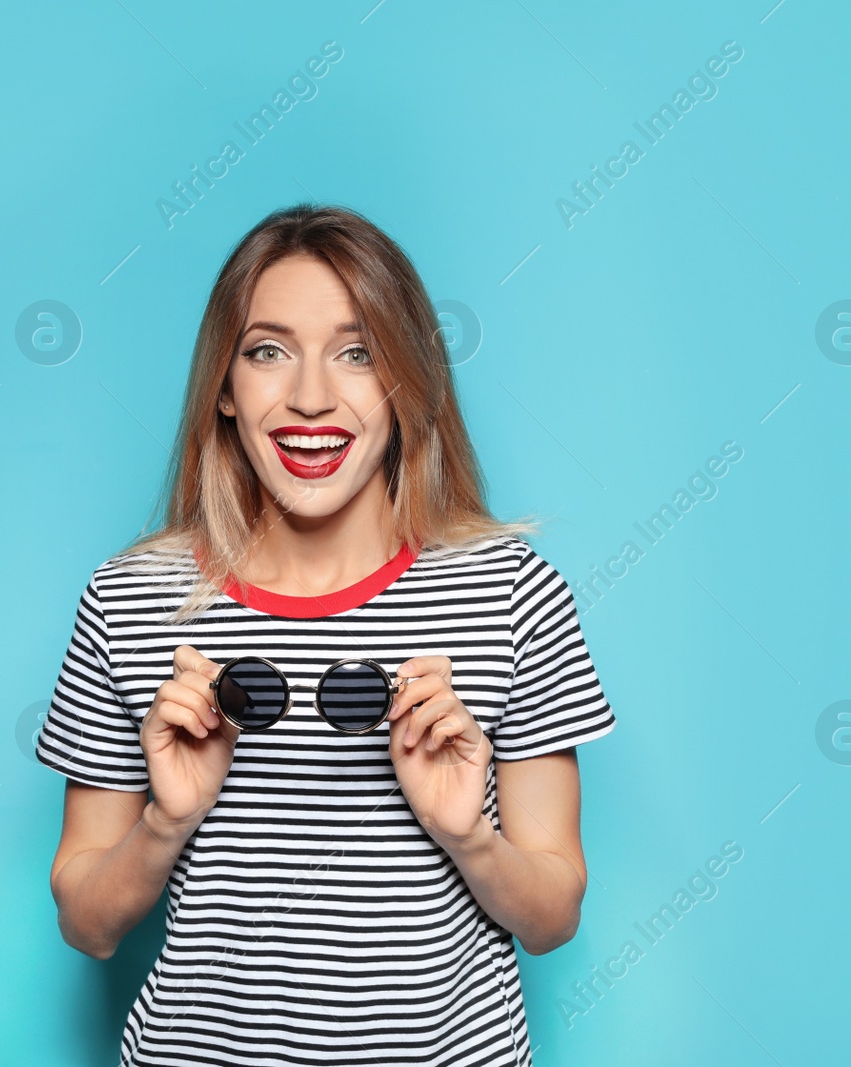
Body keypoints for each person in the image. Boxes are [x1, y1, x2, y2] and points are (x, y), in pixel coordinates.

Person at [36, 203, 616, 1067]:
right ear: (225, 389)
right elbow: (86, 925)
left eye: (358, 352)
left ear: (408, 384)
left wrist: (467, 833)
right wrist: (169, 820)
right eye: (268, 351)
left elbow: (553, 918)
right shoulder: (130, 601)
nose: (311, 395)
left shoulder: (511, 593)